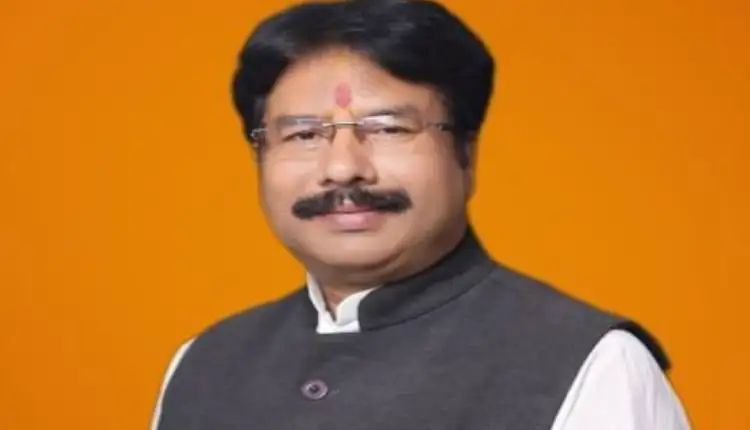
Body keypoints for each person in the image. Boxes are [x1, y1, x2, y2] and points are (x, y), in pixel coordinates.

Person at [151, 0, 690, 428]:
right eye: (304, 135)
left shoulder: (591, 363)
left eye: (388, 129)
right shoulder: (204, 365)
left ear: (466, 154)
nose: (343, 168)